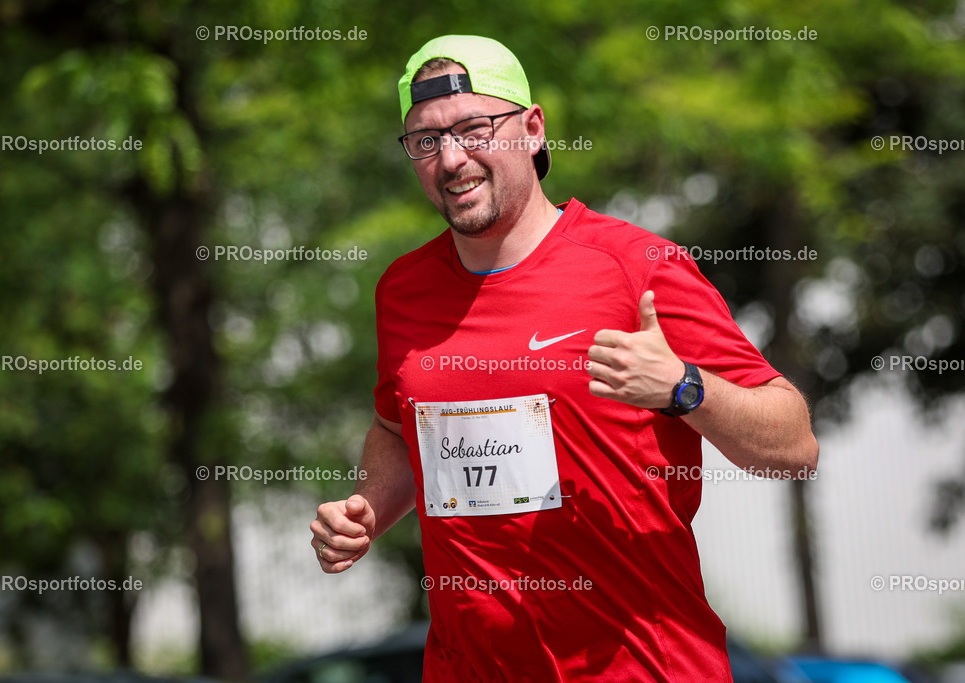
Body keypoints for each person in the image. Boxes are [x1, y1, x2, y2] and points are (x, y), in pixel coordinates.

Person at [310, 34, 818, 682]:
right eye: (426, 140)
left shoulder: (634, 265)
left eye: (473, 128)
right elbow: (396, 429)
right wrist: (365, 511)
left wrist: (684, 388)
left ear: (532, 127)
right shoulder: (403, 291)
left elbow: (795, 442)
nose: (452, 158)